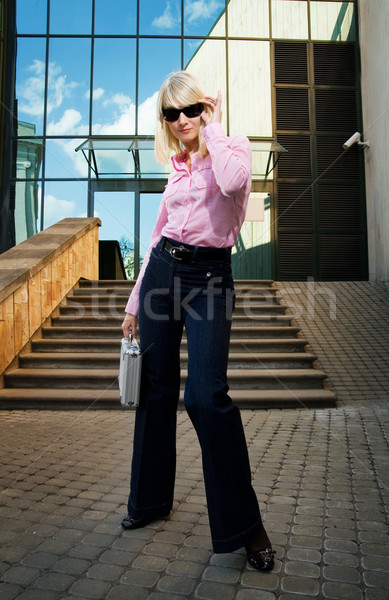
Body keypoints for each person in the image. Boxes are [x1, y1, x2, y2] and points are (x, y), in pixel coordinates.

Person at [121, 71, 275, 571]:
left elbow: (232, 184)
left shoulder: (232, 147)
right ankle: (148, 502)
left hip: (210, 277)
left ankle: (246, 527)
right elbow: (158, 235)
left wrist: (211, 124)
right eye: (172, 114)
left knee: (206, 396)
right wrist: (134, 299)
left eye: (190, 109)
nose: (182, 120)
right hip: (164, 271)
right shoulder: (178, 167)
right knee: (156, 387)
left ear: (205, 109)